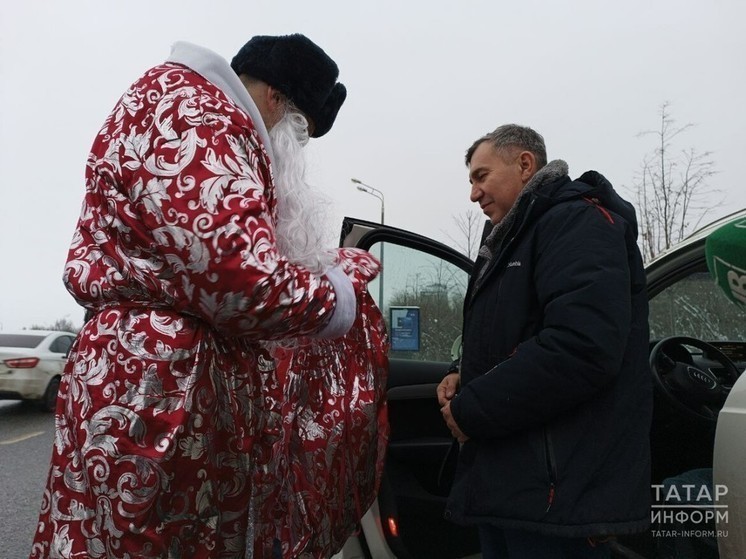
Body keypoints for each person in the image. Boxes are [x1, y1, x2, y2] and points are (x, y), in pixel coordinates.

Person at [29, 35, 388, 559]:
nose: (298, 152)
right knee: (157, 540)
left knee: (105, 537)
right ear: (277, 103)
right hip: (163, 384)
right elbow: (239, 278)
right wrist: (335, 295)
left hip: (138, 370)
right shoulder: (203, 118)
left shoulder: (174, 105)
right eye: (302, 134)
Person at [437, 124, 652, 558]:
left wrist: (473, 411)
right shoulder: (511, 238)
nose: (473, 195)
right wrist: (463, 373)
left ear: (524, 164)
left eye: (481, 177)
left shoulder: (578, 222)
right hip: (511, 486)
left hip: (559, 497)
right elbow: (514, 334)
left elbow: (580, 346)